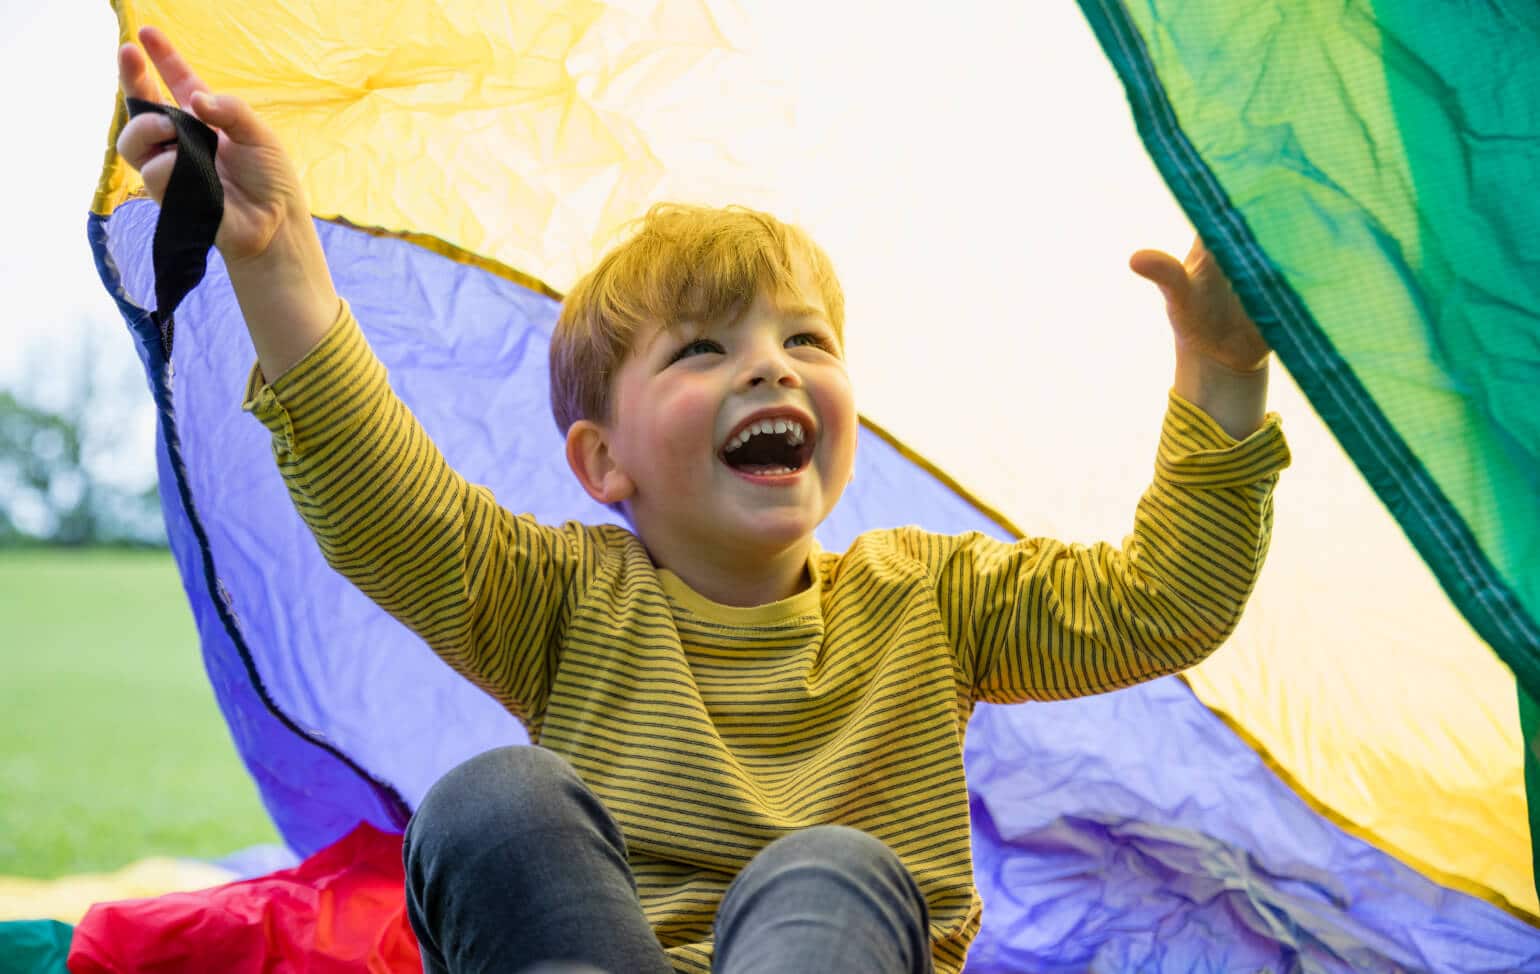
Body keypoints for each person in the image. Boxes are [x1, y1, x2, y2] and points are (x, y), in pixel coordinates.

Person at [116, 24, 1290, 974]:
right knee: (491, 800)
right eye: (701, 351)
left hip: (832, 943)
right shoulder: (563, 602)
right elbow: (389, 502)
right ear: (601, 461)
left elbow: (1163, 600)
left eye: (805, 338)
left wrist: (1225, 376)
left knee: (832, 867)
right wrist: (276, 261)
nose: (771, 365)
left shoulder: (930, 602)